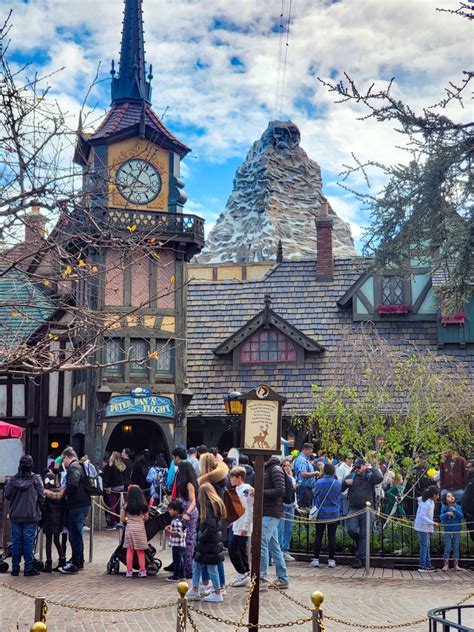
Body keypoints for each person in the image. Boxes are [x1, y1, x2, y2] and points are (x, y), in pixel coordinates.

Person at [185, 483, 226, 603]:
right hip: (212, 542)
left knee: (208, 567)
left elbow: (211, 526)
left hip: (208, 542)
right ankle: (196, 588)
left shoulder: (208, 507)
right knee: (198, 565)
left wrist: (200, 537)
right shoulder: (216, 505)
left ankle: (216, 592)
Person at [5, 455, 45, 577]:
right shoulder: (36, 479)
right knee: (28, 542)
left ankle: (15, 568)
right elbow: (42, 496)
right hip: (30, 514)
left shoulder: (13, 480)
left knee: (16, 542)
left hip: (16, 515)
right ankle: (28, 569)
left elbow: (7, 495)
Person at [341, 457, 383, 569]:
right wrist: (345, 483)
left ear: (364, 466)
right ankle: (361, 545)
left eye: (359, 467)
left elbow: (380, 478)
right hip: (353, 509)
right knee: (351, 530)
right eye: (355, 467)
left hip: (367, 510)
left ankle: (359, 559)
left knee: (365, 534)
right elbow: (340, 488)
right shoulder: (351, 476)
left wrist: (371, 468)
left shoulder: (369, 477)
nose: (357, 469)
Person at [198, 453, 229, 592]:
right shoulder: (220, 479)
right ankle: (220, 584)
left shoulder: (209, 483)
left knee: (208, 553)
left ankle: (209, 584)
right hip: (218, 519)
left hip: (210, 518)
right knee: (217, 554)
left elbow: (209, 503)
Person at [59, 447, 91, 574]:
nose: (63, 462)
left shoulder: (73, 467)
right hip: (82, 504)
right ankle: (78, 559)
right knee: (77, 534)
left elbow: (73, 483)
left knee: (75, 535)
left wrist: (64, 492)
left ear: (67, 457)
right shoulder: (80, 466)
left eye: (63, 459)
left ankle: (75, 563)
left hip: (77, 505)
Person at [260, 454, 289, 590]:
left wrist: (261, 492)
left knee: (262, 543)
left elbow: (280, 490)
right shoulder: (268, 468)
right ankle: (282, 578)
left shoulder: (274, 469)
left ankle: (262, 578)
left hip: (271, 511)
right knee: (274, 546)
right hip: (268, 511)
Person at [311, 462, 342, 569]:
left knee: (318, 536)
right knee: (331, 536)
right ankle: (331, 560)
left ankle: (316, 559)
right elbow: (339, 495)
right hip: (333, 512)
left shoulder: (319, 482)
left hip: (321, 512)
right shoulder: (337, 483)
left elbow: (315, 494)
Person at [172, 456, 198, 578]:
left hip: (189, 512)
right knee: (183, 541)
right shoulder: (184, 483)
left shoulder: (189, 484)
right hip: (184, 510)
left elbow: (193, 501)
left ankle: (189, 570)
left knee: (188, 541)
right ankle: (184, 568)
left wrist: (187, 513)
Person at [228, 466, 254, 587]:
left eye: (232, 477)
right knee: (242, 549)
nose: (230, 480)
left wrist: (245, 526)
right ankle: (245, 573)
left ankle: (241, 572)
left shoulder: (246, 490)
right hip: (237, 523)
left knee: (233, 549)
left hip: (243, 525)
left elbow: (248, 509)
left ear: (239, 478)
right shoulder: (237, 489)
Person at [120, 485, 149, 578]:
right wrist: (141, 520)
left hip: (130, 528)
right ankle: (142, 570)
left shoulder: (126, 505)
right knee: (140, 551)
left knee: (130, 550)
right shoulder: (143, 505)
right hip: (140, 528)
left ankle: (129, 571)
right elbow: (146, 517)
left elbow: (123, 519)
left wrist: (129, 519)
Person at [41, 471, 66, 572]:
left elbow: (43, 509)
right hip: (58, 521)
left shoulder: (45, 494)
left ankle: (49, 563)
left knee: (48, 541)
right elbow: (64, 507)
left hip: (48, 520)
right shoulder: (59, 493)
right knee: (56, 540)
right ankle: (62, 559)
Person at [414, 485, 440, 573]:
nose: (438, 496)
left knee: (426, 546)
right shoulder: (426, 503)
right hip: (422, 527)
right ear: (433, 495)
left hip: (426, 527)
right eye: (437, 495)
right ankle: (422, 565)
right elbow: (422, 515)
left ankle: (428, 564)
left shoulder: (430, 502)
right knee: (424, 546)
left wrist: (431, 528)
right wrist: (433, 523)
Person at [278, 458, 297, 563]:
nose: (287, 467)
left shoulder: (292, 478)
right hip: (283, 505)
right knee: (280, 529)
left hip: (291, 505)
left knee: (288, 529)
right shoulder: (280, 477)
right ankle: (279, 550)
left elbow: (294, 493)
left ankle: (285, 550)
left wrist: (296, 505)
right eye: (284, 465)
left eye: (288, 465)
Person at [102, 451, 126, 530]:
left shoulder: (110, 466)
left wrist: (106, 485)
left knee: (112, 506)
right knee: (119, 505)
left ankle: (112, 524)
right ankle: (118, 521)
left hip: (113, 487)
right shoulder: (121, 466)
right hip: (121, 486)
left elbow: (105, 477)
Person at [440, 491, 464, 571]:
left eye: (452, 496)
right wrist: (447, 514)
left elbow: (461, 516)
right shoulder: (444, 507)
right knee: (448, 547)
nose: (451, 497)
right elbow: (441, 517)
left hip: (456, 530)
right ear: (445, 500)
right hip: (447, 530)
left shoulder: (457, 507)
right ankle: (446, 565)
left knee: (456, 547)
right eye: (448, 496)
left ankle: (456, 565)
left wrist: (455, 511)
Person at [164, 499, 187, 581]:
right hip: (180, 544)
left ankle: (176, 576)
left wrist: (168, 531)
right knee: (180, 559)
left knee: (177, 560)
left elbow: (178, 533)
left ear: (176, 510)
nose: (169, 511)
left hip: (177, 544)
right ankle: (182, 575)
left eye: (170, 510)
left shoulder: (176, 521)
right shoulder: (180, 519)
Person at [293, 443, 318, 509]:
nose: (311, 454)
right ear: (305, 450)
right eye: (310, 451)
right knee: (304, 510)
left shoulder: (305, 460)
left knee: (307, 510)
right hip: (303, 489)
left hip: (306, 489)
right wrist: (314, 473)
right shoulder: (301, 460)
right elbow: (303, 474)